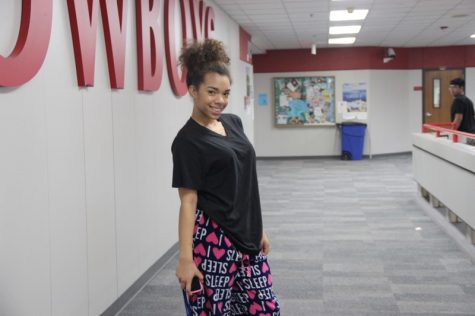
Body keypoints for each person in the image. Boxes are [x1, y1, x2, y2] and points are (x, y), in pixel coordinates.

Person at [171, 39, 280, 316]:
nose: (220, 100)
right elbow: (188, 202)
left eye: (225, 93)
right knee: (216, 311)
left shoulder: (233, 122)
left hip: (248, 235)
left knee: (265, 309)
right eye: (212, 92)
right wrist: (185, 258)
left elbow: (245, 184)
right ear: (193, 90)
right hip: (214, 240)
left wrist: (259, 228)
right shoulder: (187, 141)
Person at [449, 77, 475, 144]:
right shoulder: (468, 101)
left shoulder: (458, 100)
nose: (451, 89)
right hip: (472, 134)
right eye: (450, 87)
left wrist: (451, 133)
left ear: (461, 88)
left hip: (463, 136)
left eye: (454, 87)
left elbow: (458, 119)